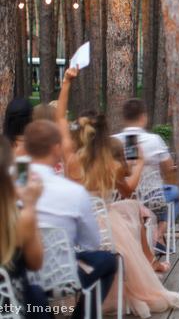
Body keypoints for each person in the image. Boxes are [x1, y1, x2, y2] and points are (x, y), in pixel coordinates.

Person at [56, 68, 179, 317]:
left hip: (74, 227)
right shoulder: (108, 164)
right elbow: (128, 190)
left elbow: (60, 119)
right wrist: (138, 165)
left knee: (131, 209)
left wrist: (67, 82)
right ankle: (149, 262)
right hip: (104, 228)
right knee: (132, 208)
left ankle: (147, 261)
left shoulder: (71, 159)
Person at [24, 120, 117, 319]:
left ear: (26, 147)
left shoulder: (11, 183)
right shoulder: (74, 192)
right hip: (62, 277)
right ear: (56, 148)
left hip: (19, 277)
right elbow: (91, 243)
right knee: (108, 261)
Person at [113, 98, 179, 252]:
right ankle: (158, 233)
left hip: (120, 197)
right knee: (176, 192)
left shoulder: (114, 141)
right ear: (143, 117)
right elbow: (169, 169)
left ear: (124, 118)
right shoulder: (154, 140)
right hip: (153, 198)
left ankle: (152, 233)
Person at [0, 136, 51, 318]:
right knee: (36, 297)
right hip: (10, 308)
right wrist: (30, 204)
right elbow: (36, 263)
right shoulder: (21, 219)